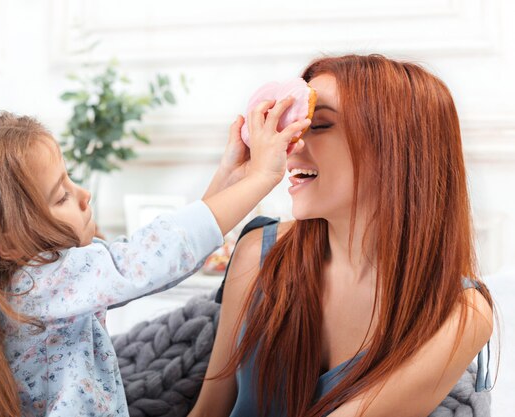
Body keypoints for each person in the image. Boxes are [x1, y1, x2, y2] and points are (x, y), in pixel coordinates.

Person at [0, 106, 311, 417]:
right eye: (61, 195)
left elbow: (154, 260)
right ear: (5, 240)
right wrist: (260, 178)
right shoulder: (42, 283)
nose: (83, 194)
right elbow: (150, 259)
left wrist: (226, 179)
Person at [189, 54, 494, 417]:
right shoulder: (258, 254)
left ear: (394, 148)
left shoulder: (460, 313)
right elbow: (207, 412)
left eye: (318, 125)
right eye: (293, 127)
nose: (291, 145)